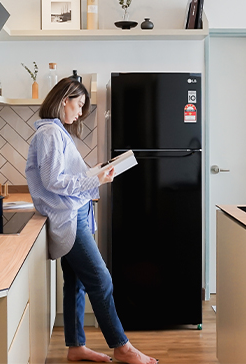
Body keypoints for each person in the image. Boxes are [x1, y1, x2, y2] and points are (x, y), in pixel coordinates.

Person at [26, 77, 157, 364]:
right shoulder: (49, 133)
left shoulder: (58, 132)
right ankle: (121, 346)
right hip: (69, 218)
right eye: (79, 105)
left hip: (76, 213)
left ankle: (75, 347)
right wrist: (94, 180)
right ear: (64, 100)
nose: (80, 112)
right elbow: (53, 181)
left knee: (76, 281)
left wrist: (95, 173)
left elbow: (64, 177)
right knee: (101, 279)